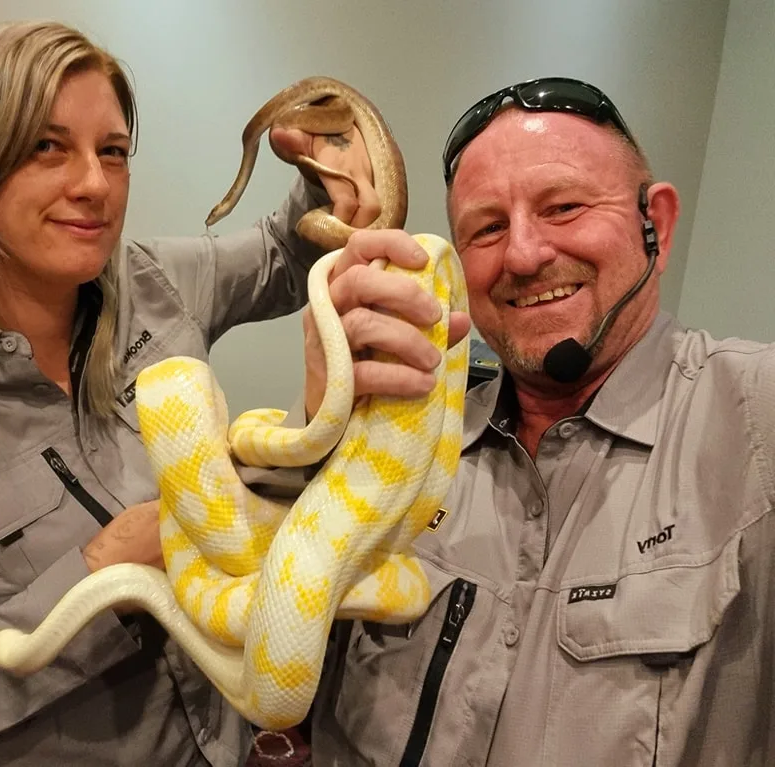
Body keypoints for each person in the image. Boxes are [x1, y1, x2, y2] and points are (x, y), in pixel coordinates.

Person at [0, 19, 449, 767]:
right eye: (46, 147)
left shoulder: (152, 285)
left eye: (112, 151)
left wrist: (330, 170)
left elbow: (285, 250)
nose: (93, 184)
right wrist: (95, 575)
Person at [303, 77, 775, 766]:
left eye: (564, 206)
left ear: (658, 226)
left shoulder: (755, 415)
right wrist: (319, 422)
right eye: (488, 228)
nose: (524, 255)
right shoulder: (404, 440)